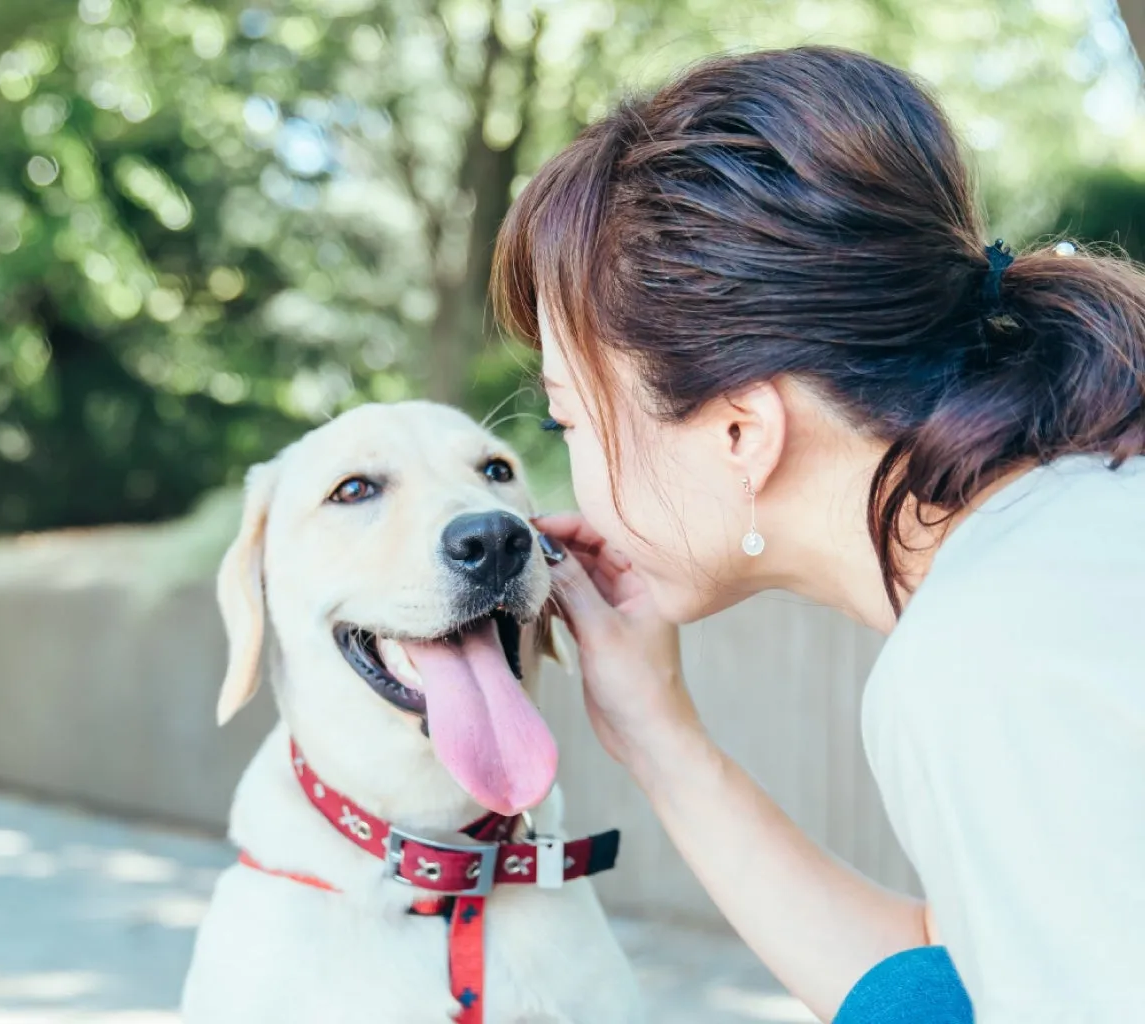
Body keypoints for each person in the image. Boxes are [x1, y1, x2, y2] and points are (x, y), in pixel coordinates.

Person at [490, 45, 1145, 1024]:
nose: (568, 469)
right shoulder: (1059, 540)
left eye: (567, 421)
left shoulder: (990, 657)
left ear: (738, 432)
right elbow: (947, 989)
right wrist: (658, 737)